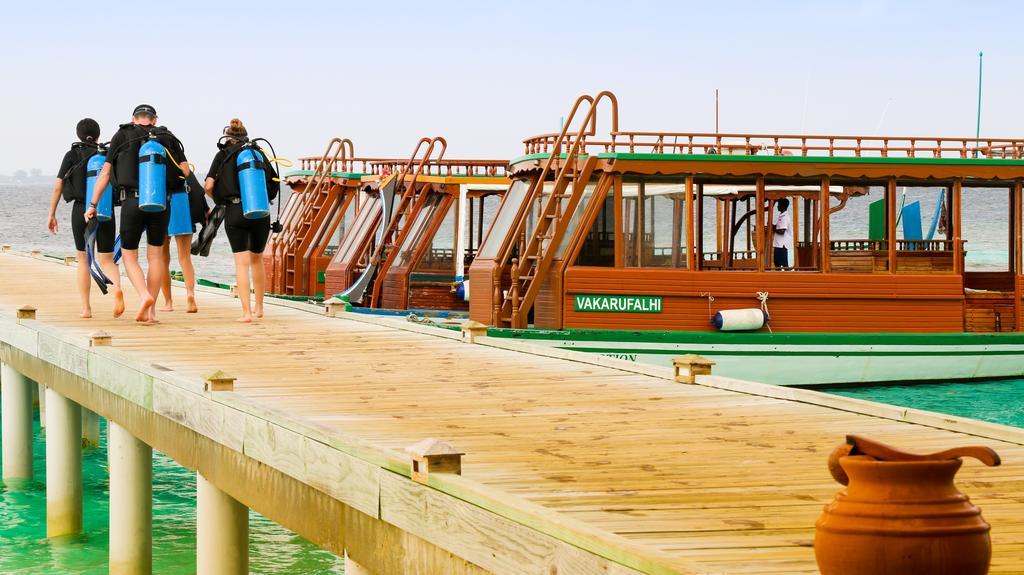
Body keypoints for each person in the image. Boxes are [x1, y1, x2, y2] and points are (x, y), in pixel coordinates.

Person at [85, 104, 190, 323]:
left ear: (134, 118)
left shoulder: (122, 135)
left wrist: (93, 204)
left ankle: (144, 295)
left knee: (130, 255)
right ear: (154, 119)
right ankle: (151, 314)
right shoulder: (167, 137)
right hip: (161, 203)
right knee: (156, 256)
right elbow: (185, 172)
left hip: (132, 203)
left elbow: (104, 175)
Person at [47, 118, 124, 318]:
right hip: (104, 208)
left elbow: (58, 186)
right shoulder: (106, 154)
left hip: (81, 209)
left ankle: (86, 309)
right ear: (98, 135)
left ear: (78, 135)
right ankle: (117, 291)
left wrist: (52, 214)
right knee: (107, 259)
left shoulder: (72, 155)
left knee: (84, 259)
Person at [204, 119, 276, 323]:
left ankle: (246, 313)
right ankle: (260, 308)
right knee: (257, 260)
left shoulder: (223, 155)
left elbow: (209, 186)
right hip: (260, 211)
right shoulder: (258, 153)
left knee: (241, 263)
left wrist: (218, 199)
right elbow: (273, 183)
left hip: (235, 210)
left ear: (228, 137)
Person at [158, 177, 201, 314]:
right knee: (184, 258)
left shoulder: (158, 163)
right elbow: (198, 192)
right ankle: (190, 294)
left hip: (161, 205)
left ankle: (168, 302)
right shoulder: (183, 167)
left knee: (163, 260)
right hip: (182, 204)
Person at [772, 198, 792, 269]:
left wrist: (773, 228)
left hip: (781, 245)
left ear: (782, 206)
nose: (777, 206)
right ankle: (780, 278)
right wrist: (773, 226)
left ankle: (787, 279)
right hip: (779, 244)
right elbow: (779, 227)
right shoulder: (782, 215)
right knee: (777, 263)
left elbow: (782, 231)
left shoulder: (785, 217)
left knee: (783, 265)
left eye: (778, 205)